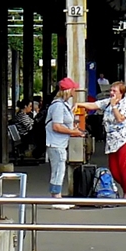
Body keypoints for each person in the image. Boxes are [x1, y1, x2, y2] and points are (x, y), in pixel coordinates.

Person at [78, 81, 126, 199]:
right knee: (114, 169)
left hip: (125, 139)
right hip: (112, 140)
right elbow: (94, 105)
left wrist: (114, 106)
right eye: (111, 91)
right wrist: (79, 104)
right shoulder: (107, 102)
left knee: (125, 168)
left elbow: (120, 119)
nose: (111, 93)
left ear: (121, 93)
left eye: (114, 91)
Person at [46, 77, 85, 208]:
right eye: (73, 88)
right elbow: (56, 126)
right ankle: (56, 198)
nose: (75, 90)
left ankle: (56, 196)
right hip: (56, 143)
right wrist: (73, 132)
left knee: (58, 169)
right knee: (58, 170)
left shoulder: (63, 105)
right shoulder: (58, 106)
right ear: (68, 90)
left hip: (59, 143)